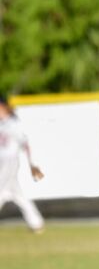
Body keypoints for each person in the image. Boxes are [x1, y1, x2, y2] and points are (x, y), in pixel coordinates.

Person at [0, 95, 45, 233]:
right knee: (18, 194)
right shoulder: (3, 123)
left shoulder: (14, 124)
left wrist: (33, 164)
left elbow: (26, 144)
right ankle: (36, 223)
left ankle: (36, 223)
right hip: (2, 162)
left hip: (9, 162)